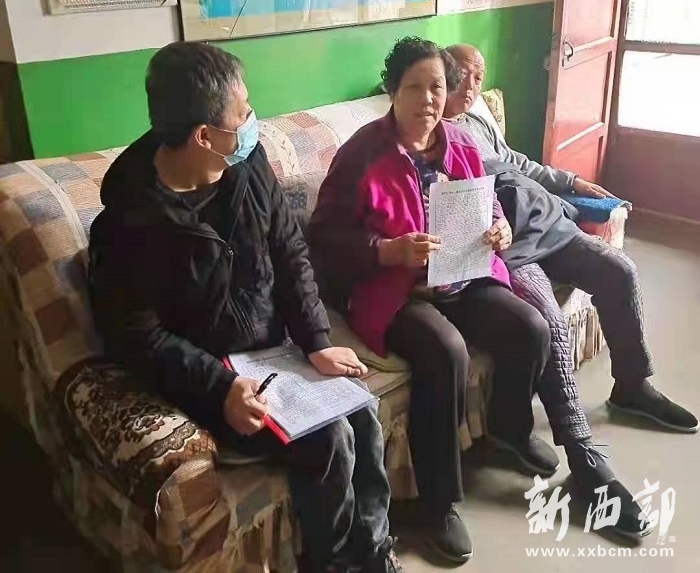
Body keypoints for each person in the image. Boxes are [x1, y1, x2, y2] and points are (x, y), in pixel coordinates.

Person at [88, 42, 400, 573]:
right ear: (203, 136)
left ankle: (373, 554)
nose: (254, 122)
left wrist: (316, 341)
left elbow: (290, 250)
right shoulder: (127, 226)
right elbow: (137, 337)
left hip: (276, 355)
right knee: (331, 439)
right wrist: (220, 388)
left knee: (361, 411)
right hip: (212, 378)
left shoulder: (247, 164)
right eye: (243, 113)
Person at [308, 37, 562, 564]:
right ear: (392, 91)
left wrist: (500, 229)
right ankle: (436, 504)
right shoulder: (362, 154)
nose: (428, 99)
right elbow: (324, 237)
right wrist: (387, 251)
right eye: (414, 87)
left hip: (463, 274)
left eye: (437, 87)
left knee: (531, 327)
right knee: (446, 351)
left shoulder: (461, 144)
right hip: (394, 290)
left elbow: (489, 205)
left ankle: (509, 430)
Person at [442, 43, 698, 520]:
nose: (470, 85)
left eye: (477, 75)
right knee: (551, 324)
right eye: (459, 75)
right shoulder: (430, 139)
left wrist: (573, 183)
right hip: (507, 244)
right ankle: (584, 458)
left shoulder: (477, 119)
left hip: (548, 220)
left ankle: (632, 384)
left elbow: (518, 162)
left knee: (619, 271)